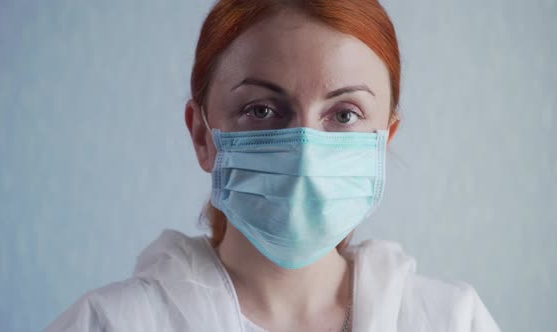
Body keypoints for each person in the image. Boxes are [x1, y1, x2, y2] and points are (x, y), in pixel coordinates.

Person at [45, 0, 501, 331]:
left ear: (383, 142)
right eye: (262, 110)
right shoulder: (111, 324)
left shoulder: (451, 320)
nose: (304, 152)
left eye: (344, 115)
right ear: (202, 136)